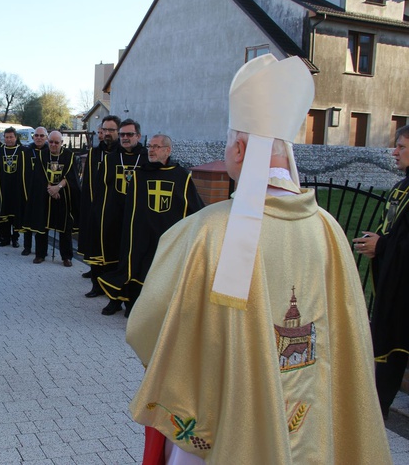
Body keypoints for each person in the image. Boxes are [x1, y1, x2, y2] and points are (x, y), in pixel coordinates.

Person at [126, 55, 390, 464]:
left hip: (221, 422)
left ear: (240, 147)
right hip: (313, 421)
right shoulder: (329, 230)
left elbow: (149, 326)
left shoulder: (206, 231)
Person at [98, 134, 204, 317]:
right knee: (134, 268)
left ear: (167, 150)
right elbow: (129, 205)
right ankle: (129, 305)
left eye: (156, 147)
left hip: (166, 236)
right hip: (139, 235)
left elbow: (194, 208)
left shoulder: (181, 176)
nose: (151, 150)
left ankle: (155, 310)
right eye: (150, 147)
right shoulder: (140, 175)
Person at [354, 123, 409, 418]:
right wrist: (376, 243)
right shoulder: (402, 187)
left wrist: (383, 246)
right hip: (395, 289)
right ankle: (376, 413)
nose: (394, 151)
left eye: (401, 146)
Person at [95, 118, 148, 315]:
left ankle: (131, 302)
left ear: (138, 136)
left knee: (133, 261)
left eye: (129, 134)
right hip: (114, 216)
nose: (125, 138)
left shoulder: (145, 158)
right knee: (113, 259)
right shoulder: (111, 157)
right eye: (123, 134)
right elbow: (102, 188)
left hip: (137, 219)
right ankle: (114, 300)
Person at [25, 130, 80, 266]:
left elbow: (71, 176)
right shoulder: (42, 155)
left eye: (56, 142)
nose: (53, 145)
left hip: (63, 196)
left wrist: (58, 187)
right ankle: (40, 254)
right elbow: (38, 176)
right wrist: (51, 189)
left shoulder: (69, 156)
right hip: (45, 195)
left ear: (62, 143)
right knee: (42, 225)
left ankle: (66, 257)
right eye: (51, 142)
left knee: (64, 227)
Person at [80, 116, 120, 290]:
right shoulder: (95, 153)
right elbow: (88, 181)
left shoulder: (121, 154)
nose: (107, 134)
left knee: (113, 249)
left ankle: (110, 285)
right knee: (95, 246)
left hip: (116, 209)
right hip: (96, 206)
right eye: (104, 130)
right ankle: (96, 285)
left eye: (111, 130)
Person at [0, 127, 28, 247]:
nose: (9, 139)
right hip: (4, 187)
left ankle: (15, 238)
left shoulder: (23, 151)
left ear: (16, 137)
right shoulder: (0, 151)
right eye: (6, 137)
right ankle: (6, 238)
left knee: (15, 214)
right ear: (4, 138)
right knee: (5, 213)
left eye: (11, 137)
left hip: (17, 188)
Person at [20, 126, 49, 256]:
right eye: (36, 135)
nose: (38, 138)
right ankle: (27, 247)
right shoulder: (26, 151)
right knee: (27, 219)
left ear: (46, 138)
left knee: (41, 223)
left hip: (43, 192)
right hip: (28, 190)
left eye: (42, 136)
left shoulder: (50, 152)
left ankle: (41, 250)